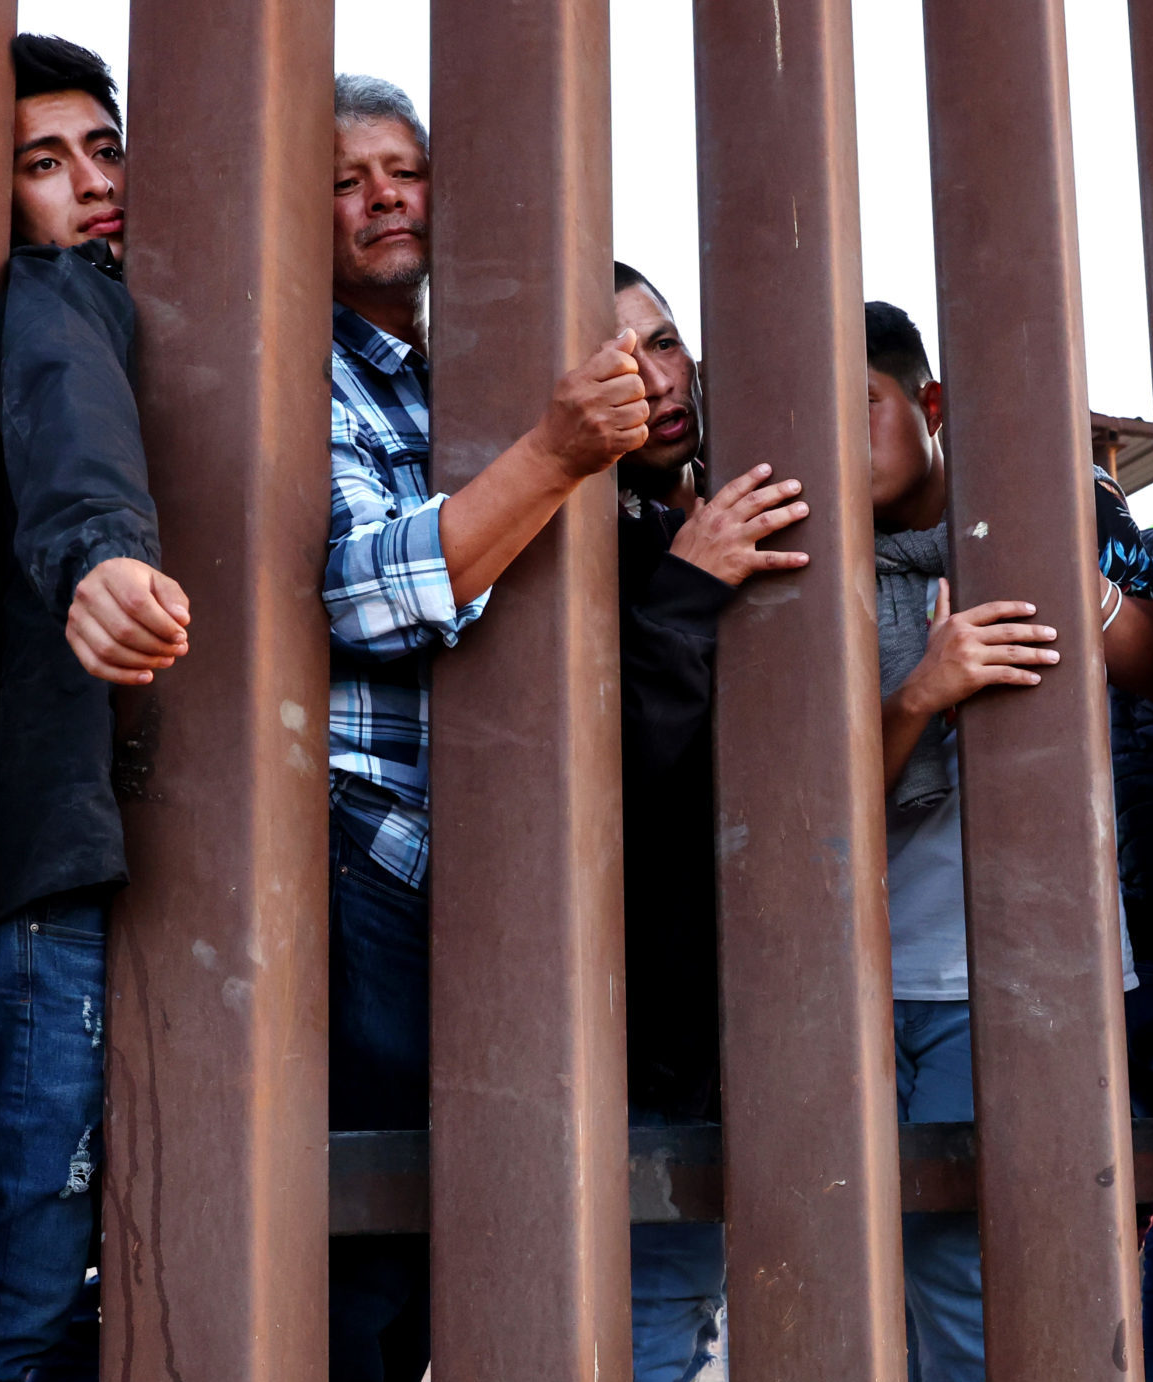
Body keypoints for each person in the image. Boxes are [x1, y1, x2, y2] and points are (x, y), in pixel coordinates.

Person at [322, 75, 651, 1382]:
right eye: (345, 181)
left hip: (496, 871)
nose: (384, 197)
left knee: (488, 1256)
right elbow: (359, 589)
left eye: (402, 169)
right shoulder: (302, 367)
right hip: (362, 858)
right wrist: (555, 458)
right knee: (359, 1260)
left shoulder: (478, 362)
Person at [864, 300, 1153, 1381]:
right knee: (850, 1281)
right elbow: (799, 798)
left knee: (987, 1290)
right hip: (841, 970)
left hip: (1006, 968)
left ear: (930, 404)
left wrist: (1064, 573)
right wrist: (917, 691)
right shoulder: (801, 558)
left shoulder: (1056, 509)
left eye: (862, 409)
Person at [0, 36, 182, 1382]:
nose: (90, 185)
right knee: (30, 1287)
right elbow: (71, 427)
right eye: (42, 164)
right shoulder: (52, 296)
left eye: (105, 148)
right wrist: (104, 552)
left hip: (25, 845)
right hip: (36, 857)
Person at [609, 260, 811, 1381]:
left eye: (667, 339)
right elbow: (599, 771)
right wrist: (684, 588)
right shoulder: (586, 540)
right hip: (630, 1019)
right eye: (622, 351)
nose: (657, 373)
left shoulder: (692, 513)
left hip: (731, 1008)